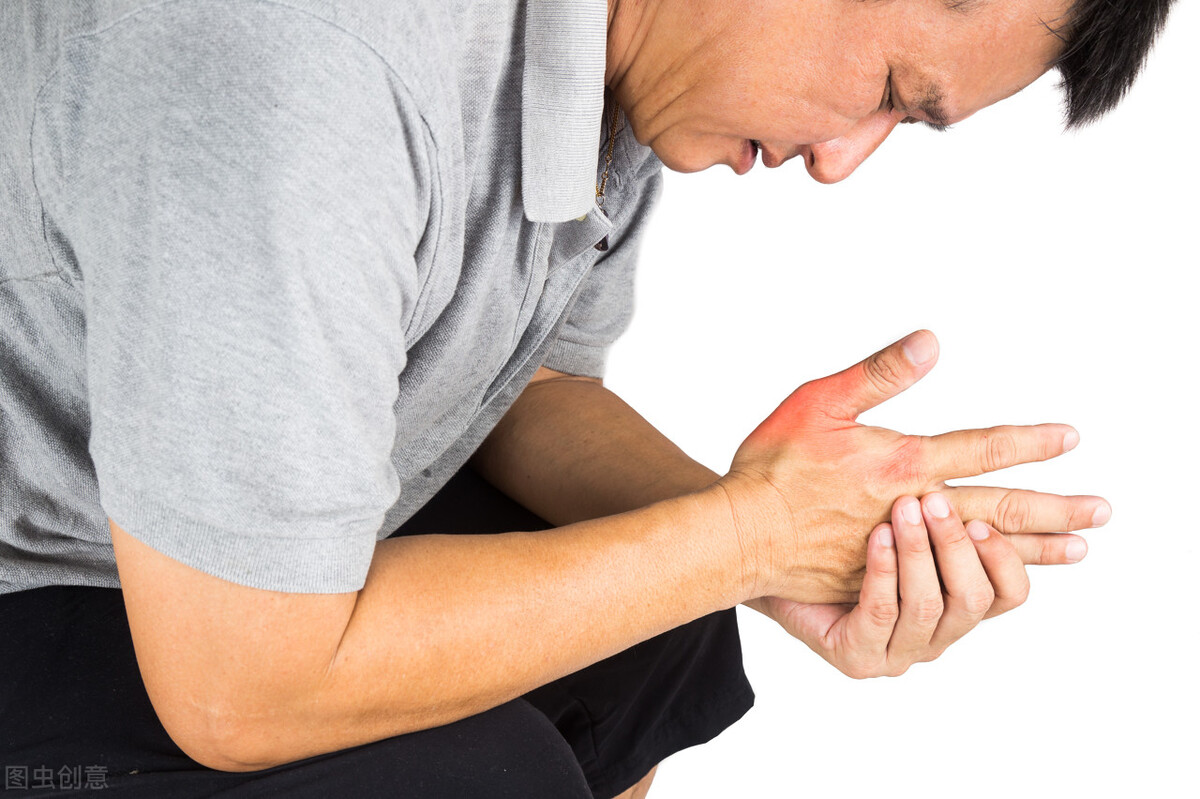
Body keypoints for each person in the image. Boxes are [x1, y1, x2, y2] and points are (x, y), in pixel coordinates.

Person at [0, 0, 1176, 797]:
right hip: (48, 574)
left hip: (173, 525)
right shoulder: (315, 67)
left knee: (665, 626)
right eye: (886, 90)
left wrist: (799, 543)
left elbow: (525, 385)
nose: (842, 160)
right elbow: (235, 685)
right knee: (478, 776)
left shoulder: (611, 53)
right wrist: (741, 536)